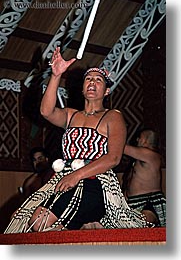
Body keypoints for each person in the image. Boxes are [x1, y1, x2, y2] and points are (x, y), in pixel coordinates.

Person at [5, 47, 149, 233]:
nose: (92, 82)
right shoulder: (71, 115)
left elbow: (113, 158)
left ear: (106, 91)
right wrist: (56, 75)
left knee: (40, 222)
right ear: (82, 88)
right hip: (65, 178)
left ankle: (88, 225)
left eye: (98, 80)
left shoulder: (113, 116)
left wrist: (76, 175)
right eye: (88, 79)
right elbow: (46, 111)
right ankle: (87, 226)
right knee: (18, 219)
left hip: (94, 182)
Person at [122, 129, 166, 226]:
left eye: (140, 138)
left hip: (148, 201)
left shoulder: (151, 156)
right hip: (133, 202)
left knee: (142, 225)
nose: (137, 139)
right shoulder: (139, 159)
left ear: (145, 141)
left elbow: (122, 148)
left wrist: (112, 138)